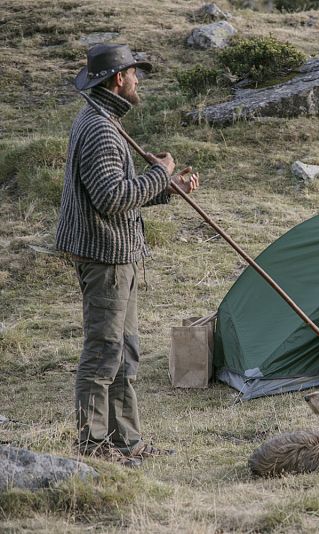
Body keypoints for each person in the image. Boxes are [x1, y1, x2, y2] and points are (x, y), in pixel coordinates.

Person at [56, 44, 199, 466]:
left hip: (117, 256)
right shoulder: (100, 129)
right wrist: (161, 173)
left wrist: (166, 189)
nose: (139, 80)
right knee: (103, 353)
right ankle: (93, 446)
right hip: (106, 260)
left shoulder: (106, 120)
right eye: (135, 73)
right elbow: (111, 197)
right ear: (118, 78)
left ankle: (127, 442)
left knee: (125, 351)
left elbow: (116, 194)